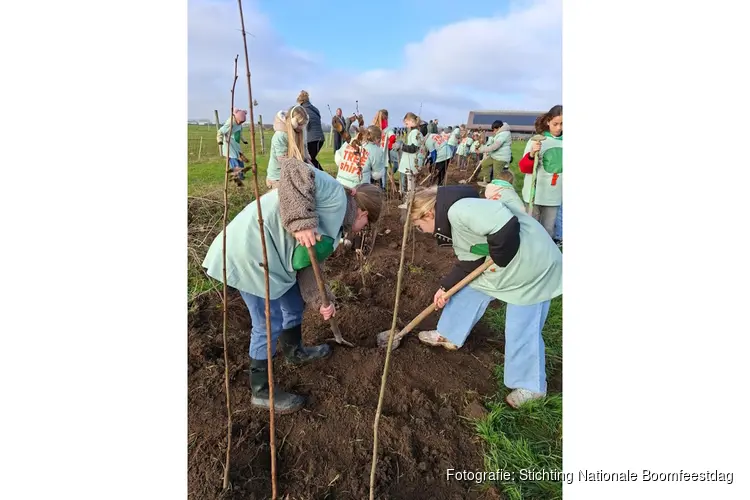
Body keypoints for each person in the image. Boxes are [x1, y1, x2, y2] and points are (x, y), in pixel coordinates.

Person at [202, 156, 384, 413]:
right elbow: (293, 168)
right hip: (251, 250)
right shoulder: (336, 195)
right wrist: (300, 222)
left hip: (277, 258)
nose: (361, 230)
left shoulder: (336, 226)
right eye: (366, 224)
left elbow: (308, 264)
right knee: (269, 319)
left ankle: (294, 351)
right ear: (364, 213)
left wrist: (323, 300)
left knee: (293, 302)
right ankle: (261, 391)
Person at [408, 185, 562, 408]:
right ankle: (448, 334)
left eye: (420, 226)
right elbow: (470, 260)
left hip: (533, 267)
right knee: (467, 290)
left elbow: (505, 225)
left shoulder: (459, 210)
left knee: (522, 326)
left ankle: (530, 386)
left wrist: (498, 256)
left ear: (429, 214)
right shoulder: (455, 219)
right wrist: (445, 287)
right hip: (509, 265)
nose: (424, 232)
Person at [518, 105, 562, 241]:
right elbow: (524, 168)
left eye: (563, 124)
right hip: (535, 194)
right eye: (555, 124)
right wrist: (531, 154)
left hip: (554, 195)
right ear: (548, 121)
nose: (559, 128)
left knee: (548, 230)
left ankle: (546, 257)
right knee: (532, 229)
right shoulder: (536, 140)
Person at [266, 106, 310, 189]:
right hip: (277, 177)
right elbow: (284, 161)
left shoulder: (298, 132)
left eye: (303, 124)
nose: (301, 127)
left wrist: (311, 167)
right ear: (293, 122)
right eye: (300, 124)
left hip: (291, 174)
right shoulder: (280, 136)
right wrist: (303, 170)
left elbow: (304, 154)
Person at [397, 112, 424, 203]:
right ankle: (410, 201)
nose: (406, 125)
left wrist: (401, 146)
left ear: (412, 121)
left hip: (411, 164)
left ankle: (409, 202)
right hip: (414, 163)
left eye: (407, 123)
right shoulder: (417, 132)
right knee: (411, 183)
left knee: (410, 184)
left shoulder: (414, 132)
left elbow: (413, 148)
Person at [217, 108, 249, 186]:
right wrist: (219, 140)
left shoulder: (240, 125)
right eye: (240, 121)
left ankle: (241, 175)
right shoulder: (230, 123)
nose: (240, 123)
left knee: (241, 161)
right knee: (234, 161)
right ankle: (236, 177)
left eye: (242, 122)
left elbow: (240, 134)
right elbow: (220, 132)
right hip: (229, 145)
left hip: (236, 145)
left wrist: (244, 140)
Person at [297, 90, 325, 170]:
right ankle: (318, 176)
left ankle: (323, 177)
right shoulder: (314, 109)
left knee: (309, 159)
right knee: (311, 159)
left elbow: (306, 125)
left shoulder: (302, 110)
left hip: (312, 139)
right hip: (320, 138)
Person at [374, 109, 396, 190]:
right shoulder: (376, 129)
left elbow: (392, 137)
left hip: (383, 154)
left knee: (381, 171)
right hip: (377, 154)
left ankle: (382, 186)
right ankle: (379, 185)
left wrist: (391, 141)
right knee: (378, 171)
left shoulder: (387, 130)